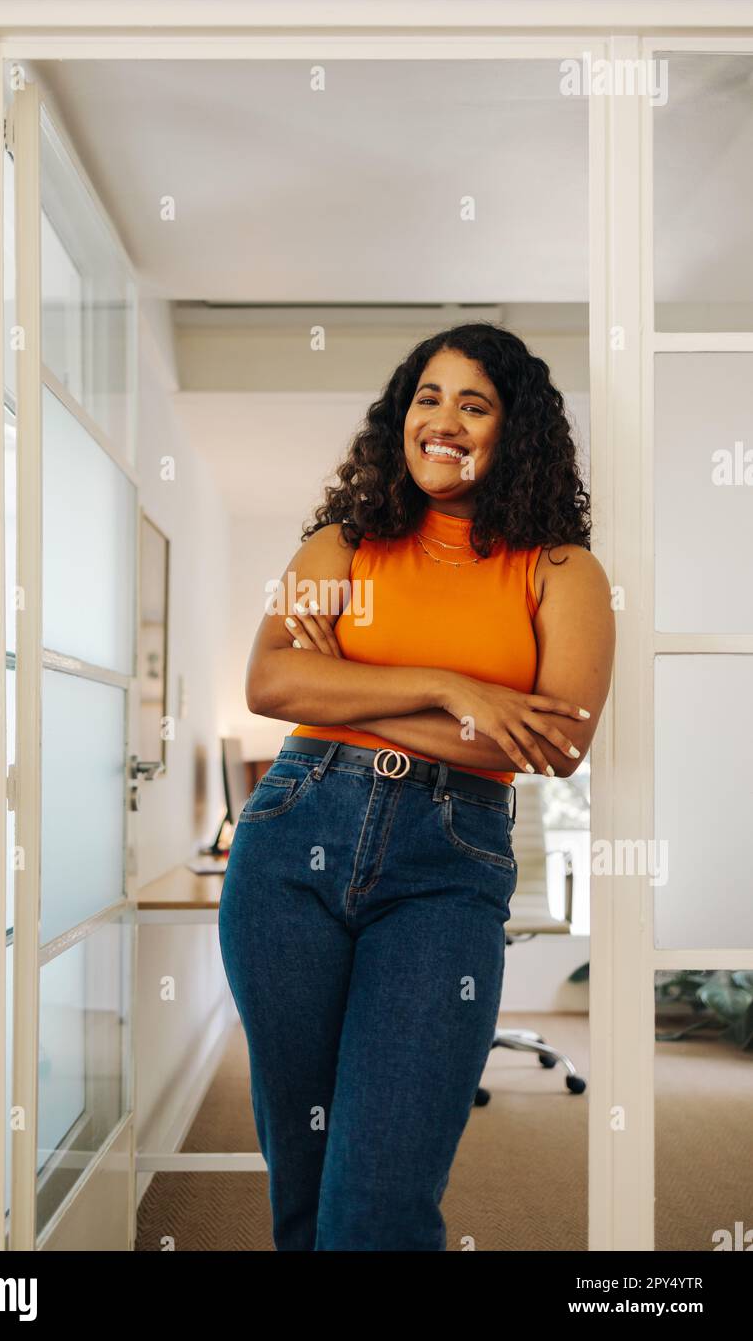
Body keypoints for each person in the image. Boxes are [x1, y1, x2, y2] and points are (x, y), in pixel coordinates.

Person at [217, 322, 615, 1251]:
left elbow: (556, 741)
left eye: (472, 404)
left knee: (381, 1198)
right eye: (426, 398)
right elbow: (270, 684)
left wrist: (350, 693)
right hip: (291, 837)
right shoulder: (341, 544)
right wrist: (453, 689)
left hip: (448, 863)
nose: (442, 420)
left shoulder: (561, 570)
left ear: (512, 431)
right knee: (304, 1179)